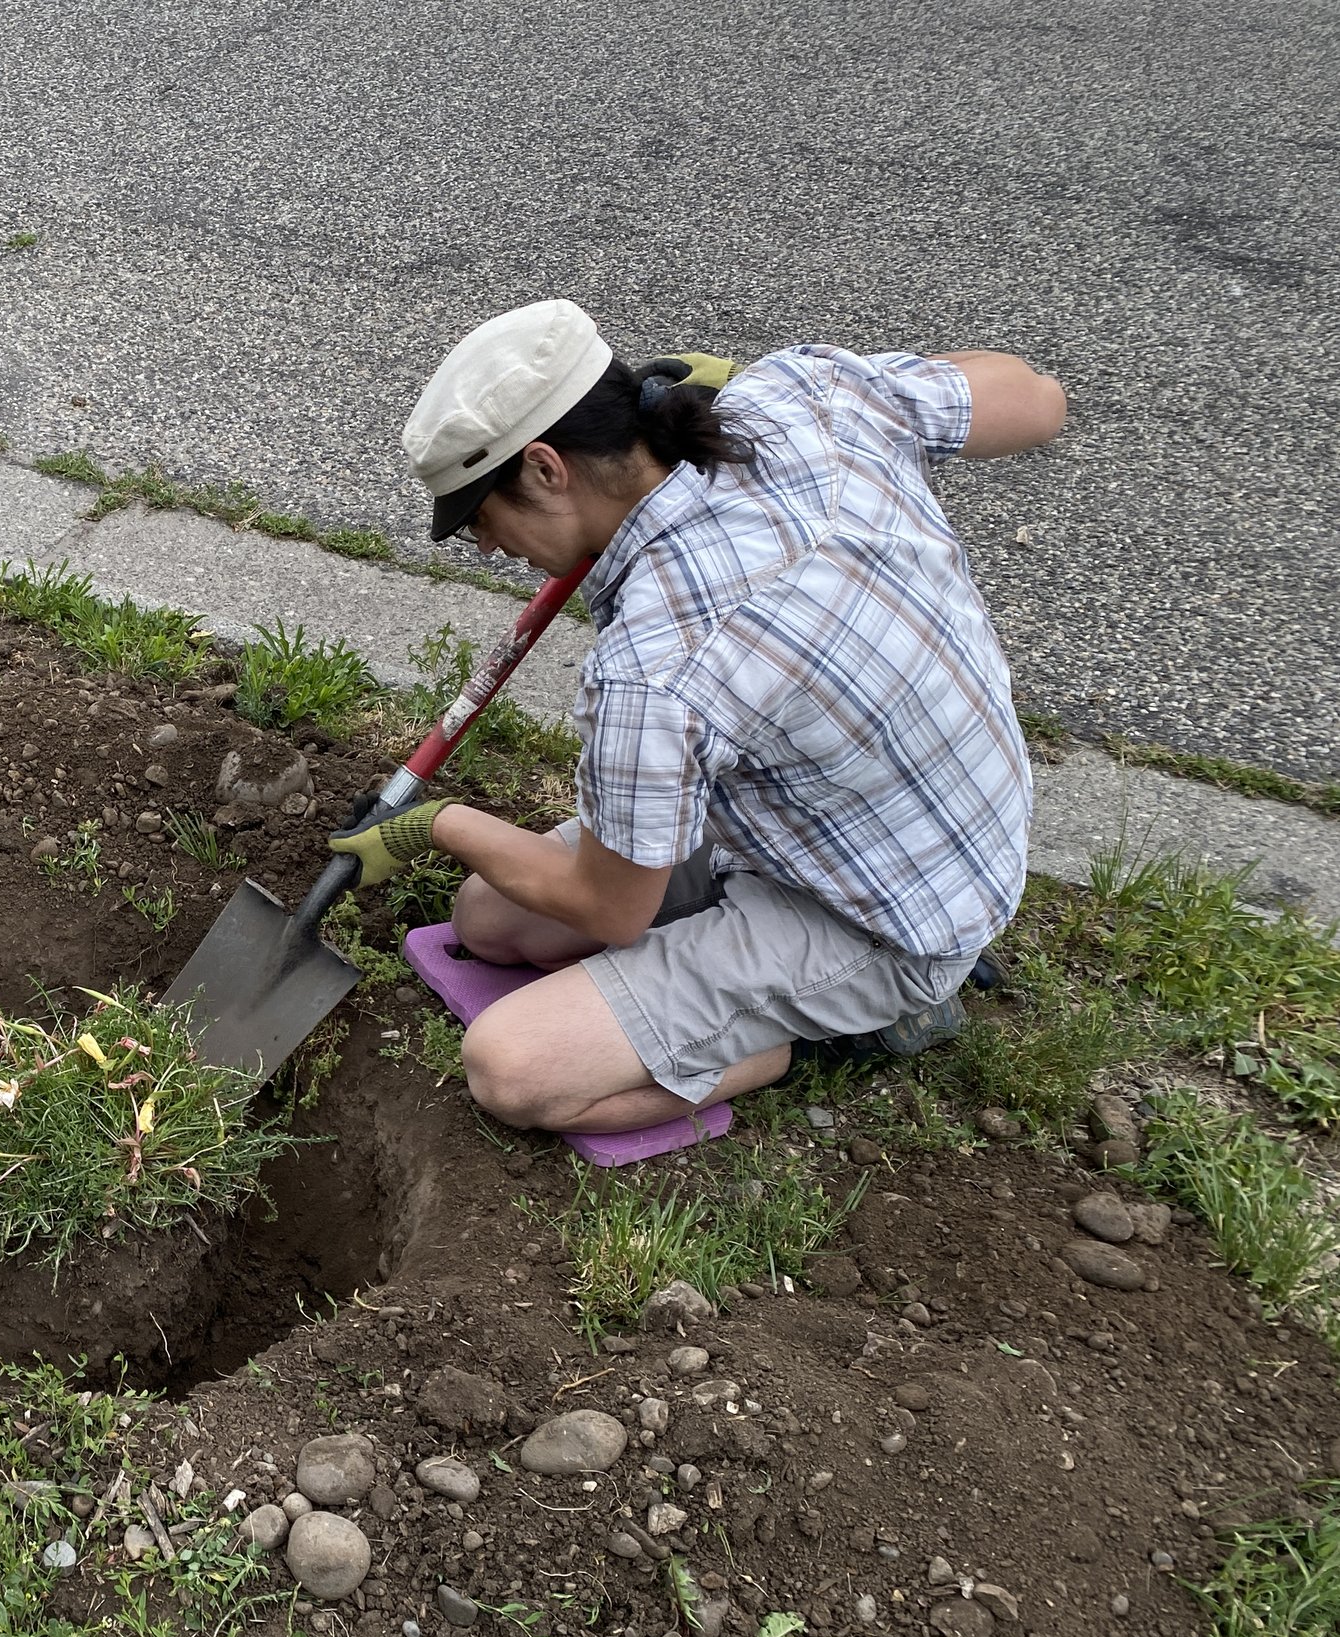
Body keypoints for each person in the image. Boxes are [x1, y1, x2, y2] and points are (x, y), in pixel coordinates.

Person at [328, 300, 1065, 1135]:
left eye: (478, 522)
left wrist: (434, 824)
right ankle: (761, 972)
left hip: (886, 913)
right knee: (488, 921)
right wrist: (768, 390)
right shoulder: (796, 397)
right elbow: (1038, 397)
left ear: (544, 468)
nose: (491, 550)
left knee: (514, 1068)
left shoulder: (658, 664)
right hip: (860, 813)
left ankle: (838, 1029)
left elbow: (610, 911)